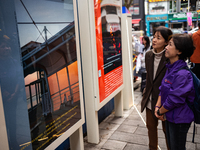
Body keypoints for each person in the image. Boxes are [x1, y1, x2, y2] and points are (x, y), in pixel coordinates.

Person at [155, 34, 195, 150]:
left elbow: (174, 99)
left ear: (179, 51)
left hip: (179, 120)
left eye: (170, 44)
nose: (166, 47)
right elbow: (162, 88)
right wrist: (158, 105)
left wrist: (160, 111)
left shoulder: (182, 74)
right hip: (170, 116)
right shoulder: (170, 67)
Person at [141, 26, 172, 150]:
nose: (154, 40)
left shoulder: (170, 57)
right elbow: (149, 78)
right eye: (154, 36)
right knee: (151, 128)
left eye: (158, 38)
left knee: (167, 131)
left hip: (165, 102)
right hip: (150, 99)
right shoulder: (148, 55)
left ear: (166, 42)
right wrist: (145, 94)